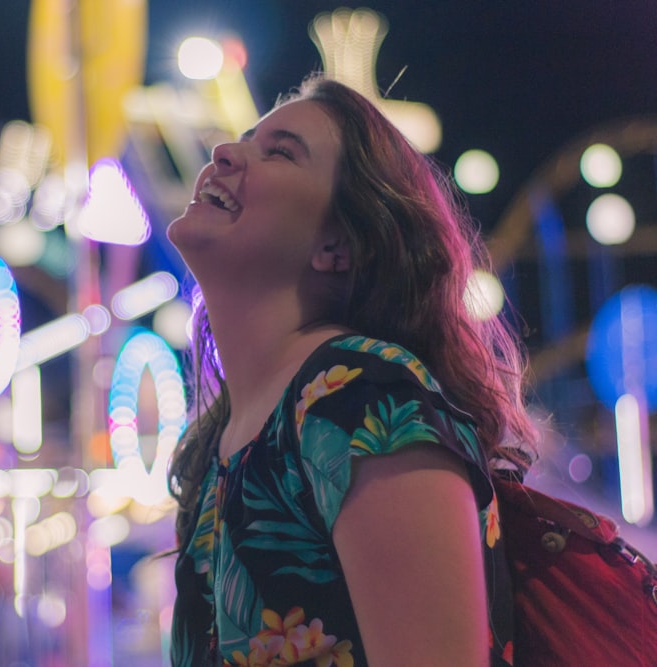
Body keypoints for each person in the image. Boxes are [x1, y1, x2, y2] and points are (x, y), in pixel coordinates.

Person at [166, 73, 538, 667]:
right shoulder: (222, 435)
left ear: (337, 246)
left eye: (279, 152)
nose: (224, 152)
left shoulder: (365, 398)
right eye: (243, 138)